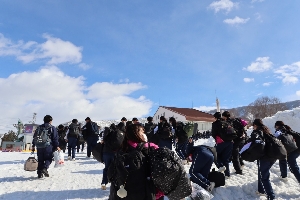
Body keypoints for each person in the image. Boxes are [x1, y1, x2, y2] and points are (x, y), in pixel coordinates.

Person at [108, 123, 163, 200]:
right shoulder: (151, 148)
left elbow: (111, 174)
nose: (144, 133)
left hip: (123, 193)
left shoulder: (121, 149)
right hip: (146, 193)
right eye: (142, 131)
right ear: (136, 133)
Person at [248, 119, 276, 199]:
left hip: (265, 157)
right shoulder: (267, 131)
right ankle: (261, 190)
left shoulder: (257, 132)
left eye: (253, 126)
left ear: (255, 125)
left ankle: (271, 196)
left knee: (264, 176)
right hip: (272, 156)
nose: (253, 127)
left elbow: (251, 143)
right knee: (262, 173)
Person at [222, 111, 245, 175]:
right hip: (242, 139)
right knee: (237, 154)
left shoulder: (228, 122)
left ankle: (238, 170)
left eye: (223, 116)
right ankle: (241, 164)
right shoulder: (235, 120)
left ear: (225, 116)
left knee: (234, 156)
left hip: (236, 140)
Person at [211, 112, 232, 178]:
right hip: (230, 142)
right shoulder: (226, 122)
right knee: (225, 158)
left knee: (214, 153)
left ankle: (220, 166)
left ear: (215, 117)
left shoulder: (215, 124)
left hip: (221, 142)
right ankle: (227, 174)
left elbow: (213, 134)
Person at [101, 124, 118, 190]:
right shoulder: (117, 135)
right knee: (115, 168)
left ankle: (104, 183)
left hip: (106, 153)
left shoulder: (106, 134)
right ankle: (115, 183)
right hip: (115, 153)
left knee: (106, 168)